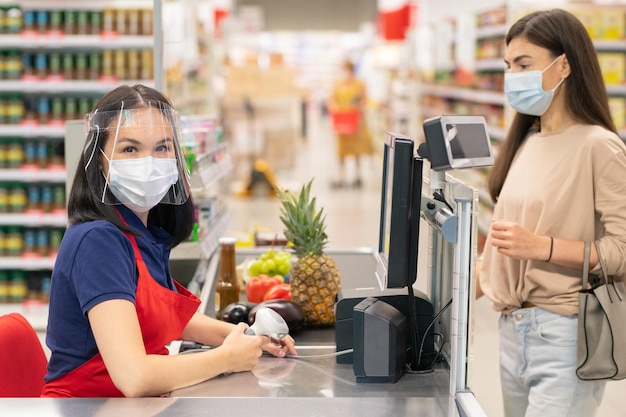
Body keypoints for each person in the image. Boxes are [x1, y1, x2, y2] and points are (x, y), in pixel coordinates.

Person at [41, 84, 296, 398]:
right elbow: (133, 377)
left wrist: (249, 337)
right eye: (130, 149)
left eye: (162, 148)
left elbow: (167, 318)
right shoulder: (98, 241)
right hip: (88, 407)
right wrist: (226, 358)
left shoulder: (143, 233)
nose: (149, 162)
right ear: (99, 160)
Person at [477, 9, 626, 417]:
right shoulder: (525, 140)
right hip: (511, 329)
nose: (513, 76)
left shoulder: (600, 146)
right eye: (508, 66)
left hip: (563, 332)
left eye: (524, 64)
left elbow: (622, 252)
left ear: (565, 64)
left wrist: (541, 247)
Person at [327, 60, 373, 189]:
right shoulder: (337, 84)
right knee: (342, 150)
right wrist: (335, 109)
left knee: (356, 148)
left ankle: (357, 176)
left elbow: (364, 100)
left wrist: (358, 108)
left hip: (355, 121)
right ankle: (342, 177)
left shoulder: (359, 84)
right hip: (342, 121)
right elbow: (331, 100)